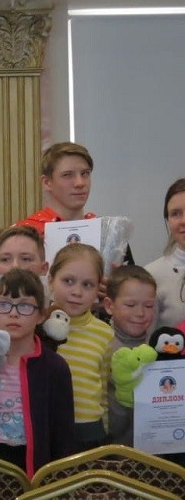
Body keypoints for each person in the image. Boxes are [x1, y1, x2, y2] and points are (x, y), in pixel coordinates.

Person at [0, 269, 76, 478]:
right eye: (4, 305)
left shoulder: (55, 367)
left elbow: (63, 434)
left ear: (41, 315)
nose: (13, 313)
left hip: (33, 464)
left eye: (24, 306)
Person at [49, 243, 113, 451]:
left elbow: (104, 389)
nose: (77, 292)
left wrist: (104, 432)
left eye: (87, 285)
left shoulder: (105, 333)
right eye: (68, 281)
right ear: (51, 281)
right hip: (47, 430)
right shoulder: (36, 328)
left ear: (98, 289)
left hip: (90, 433)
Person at [103, 265, 157, 446]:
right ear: (109, 306)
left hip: (153, 451)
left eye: (148, 306)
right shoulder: (102, 347)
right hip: (110, 450)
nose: (140, 313)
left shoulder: (158, 349)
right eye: (130, 305)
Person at [16, 142, 97, 234]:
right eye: (67, 175)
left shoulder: (102, 230)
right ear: (47, 182)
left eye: (85, 173)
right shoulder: (25, 234)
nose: (80, 183)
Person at [145, 178, 185, 331]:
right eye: (175, 214)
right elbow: (145, 338)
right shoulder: (152, 275)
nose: (183, 221)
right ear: (167, 220)